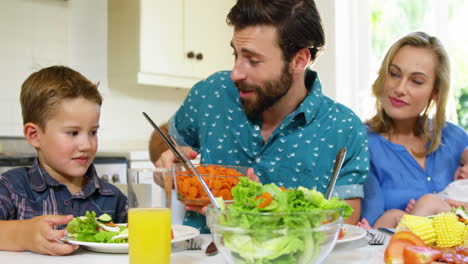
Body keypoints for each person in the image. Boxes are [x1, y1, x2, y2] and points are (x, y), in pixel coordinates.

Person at [150, 0, 369, 233]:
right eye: (236, 54)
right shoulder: (212, 93)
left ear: (299, 60)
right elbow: (159, 142)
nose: (236, 73)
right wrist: (168, 160)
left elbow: (344, 226)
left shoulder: (343, 128)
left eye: (253, 61)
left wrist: (266, 213)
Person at [0, 66, 128, 255]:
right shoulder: (12, 188)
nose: (86, 144)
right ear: (34, 135)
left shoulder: (113, 199)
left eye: (93, 132)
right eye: (73, 133)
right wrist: (23, 234)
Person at [360, 32, 468, 228]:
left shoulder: (458, 140)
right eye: (394, 74)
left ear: (435, 92)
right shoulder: (361, 144)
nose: (400, 88)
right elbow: (369, 232)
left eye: (416, 81)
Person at [359, 146, 468, 229]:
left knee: (429, 200)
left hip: (461, 223)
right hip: (437, 223)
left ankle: (408, 238)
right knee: (393, 214)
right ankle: (374, 235)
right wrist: (419, 207)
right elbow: (438, 201)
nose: (463, 170)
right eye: (462, 164)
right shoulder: (455, 185)